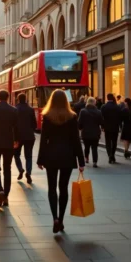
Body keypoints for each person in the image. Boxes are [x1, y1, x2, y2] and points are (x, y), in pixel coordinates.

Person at [37, 89, 85, 234]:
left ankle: (55, 218)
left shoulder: (47, 116)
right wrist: (81, 161)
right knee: (63, 188)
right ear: (66, 101)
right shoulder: (72, 116)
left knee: (52, 188)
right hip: (67, 155)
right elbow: (76, 140)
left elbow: (43, 140)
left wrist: (40, 159)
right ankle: (62, 220)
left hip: (51, 156)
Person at [0, 90, 19, 207]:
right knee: (8, 169)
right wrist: (16, 140)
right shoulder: (13, 110)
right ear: (7, 98)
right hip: (8, 143)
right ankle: (6, 195)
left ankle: (0, 190)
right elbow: (16, 127)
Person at [14, 93, 37, 184]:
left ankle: (20, 169)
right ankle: (28, 172)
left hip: (18, 137)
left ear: (18, 99)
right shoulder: (31, 109)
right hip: (29, 136)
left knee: (16, 155)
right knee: (28, 156)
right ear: (26, 99)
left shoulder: (15, 109)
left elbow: (13, 125)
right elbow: (34, 124)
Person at [78, 97, 103, 167]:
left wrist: (80, 128)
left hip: (86, 132)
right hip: (95, 132)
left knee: (86, 146)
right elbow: (101, 122)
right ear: (94, 103)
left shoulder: (83, 111)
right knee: (94, 148)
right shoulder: (98, 112)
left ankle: (86, 158)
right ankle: (95, 161)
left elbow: (80, 122)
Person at [101, 93, 122, 164]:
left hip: (107, 127)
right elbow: (120, 118)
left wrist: (102, 126)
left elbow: (101, 117)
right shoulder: (117, 107)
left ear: (107, 98)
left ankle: (109, 155)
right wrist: (120, 126)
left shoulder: (104, 107)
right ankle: (112, 154)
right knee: (114, 142)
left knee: (108, 142)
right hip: (115, 127)